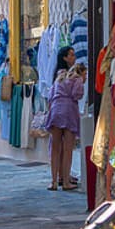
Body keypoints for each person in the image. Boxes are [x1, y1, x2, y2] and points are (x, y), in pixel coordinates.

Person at [46, 47, 86, 191]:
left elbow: (50, 96)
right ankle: (66, 180)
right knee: (68, 148)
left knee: (55, 148)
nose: (74, 57)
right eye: (71, 55)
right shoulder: (76, 78)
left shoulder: (58, 77)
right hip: (69, 111)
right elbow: (77, 95)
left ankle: (54, 181)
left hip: (56, 109)